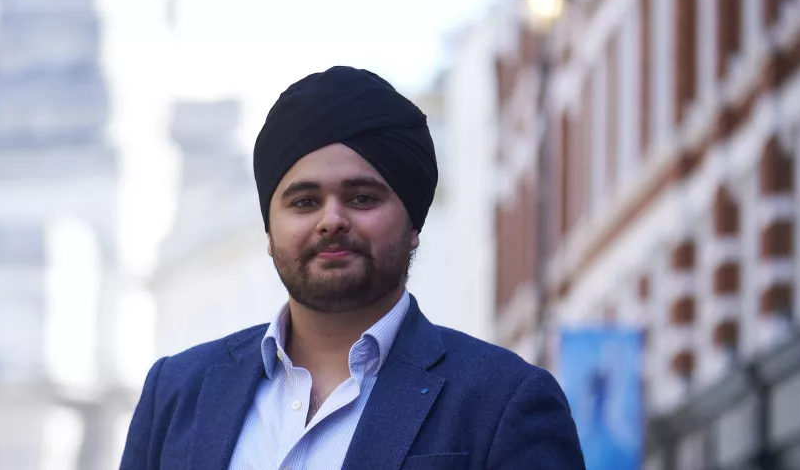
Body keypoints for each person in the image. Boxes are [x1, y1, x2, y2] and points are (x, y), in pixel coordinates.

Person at [119, 66, 585, 469]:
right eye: (304, 202)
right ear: (269, 230)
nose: (332, 221)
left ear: (413, 224)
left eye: (362, 198)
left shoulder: (503, 401)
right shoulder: (178, 393)